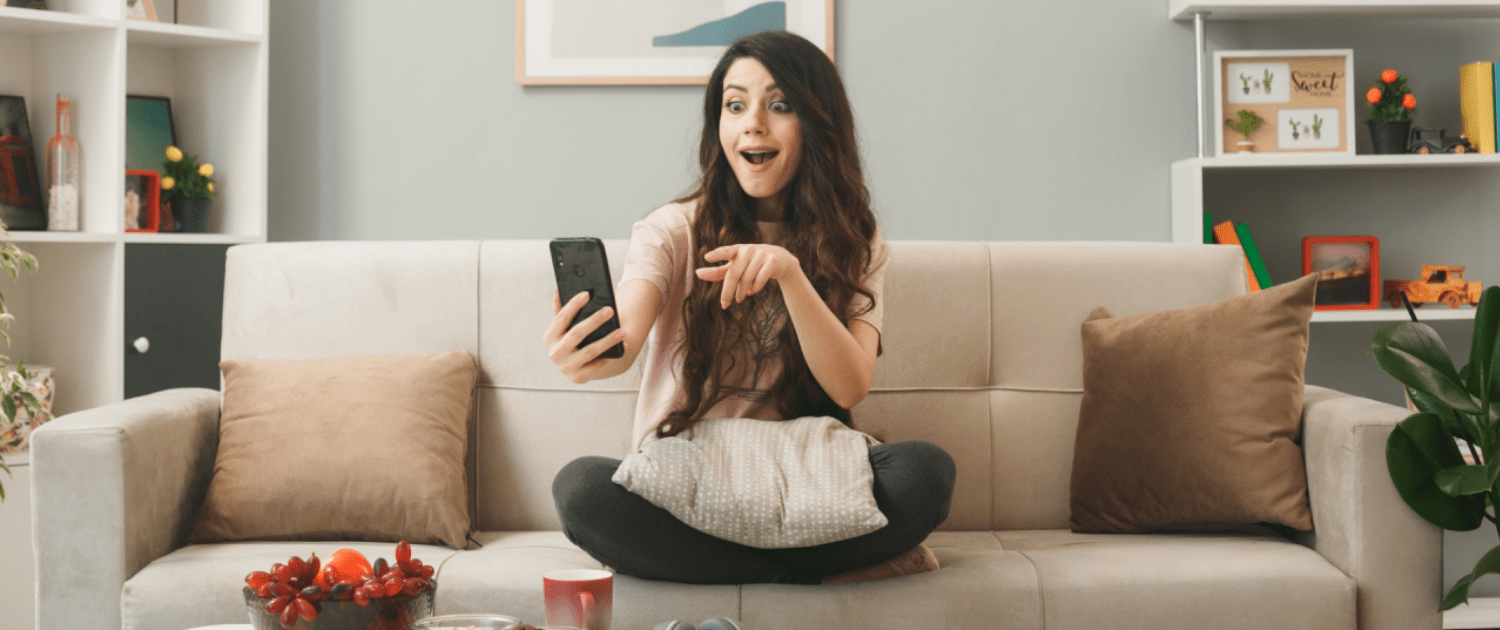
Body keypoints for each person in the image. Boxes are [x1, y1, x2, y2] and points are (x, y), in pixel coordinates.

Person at [545, 30, 955, 585]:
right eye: (735, 105)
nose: (752, 123)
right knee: (580, 490)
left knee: (927, 472)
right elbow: (625, 342)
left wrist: (788, 271)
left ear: (816, 124)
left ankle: (732, 571)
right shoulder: (672, 230)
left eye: (778, 105)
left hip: (807, 477)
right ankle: (811, 571)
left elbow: (849, 386)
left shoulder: (858, 239)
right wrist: (588, 354)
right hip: (687, 472)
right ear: (720, 125)